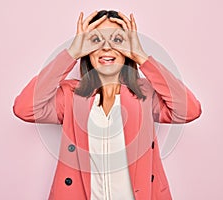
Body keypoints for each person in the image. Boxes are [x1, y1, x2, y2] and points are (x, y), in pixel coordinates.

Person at [13, 10, 202, 200]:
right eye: (96, 40)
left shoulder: (145, 93)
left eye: (117, 40)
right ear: (87, 51)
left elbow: (189, 110)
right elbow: (24, 108)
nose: (106, 48)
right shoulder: (70, 95)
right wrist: (72, 53)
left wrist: (142, 57)